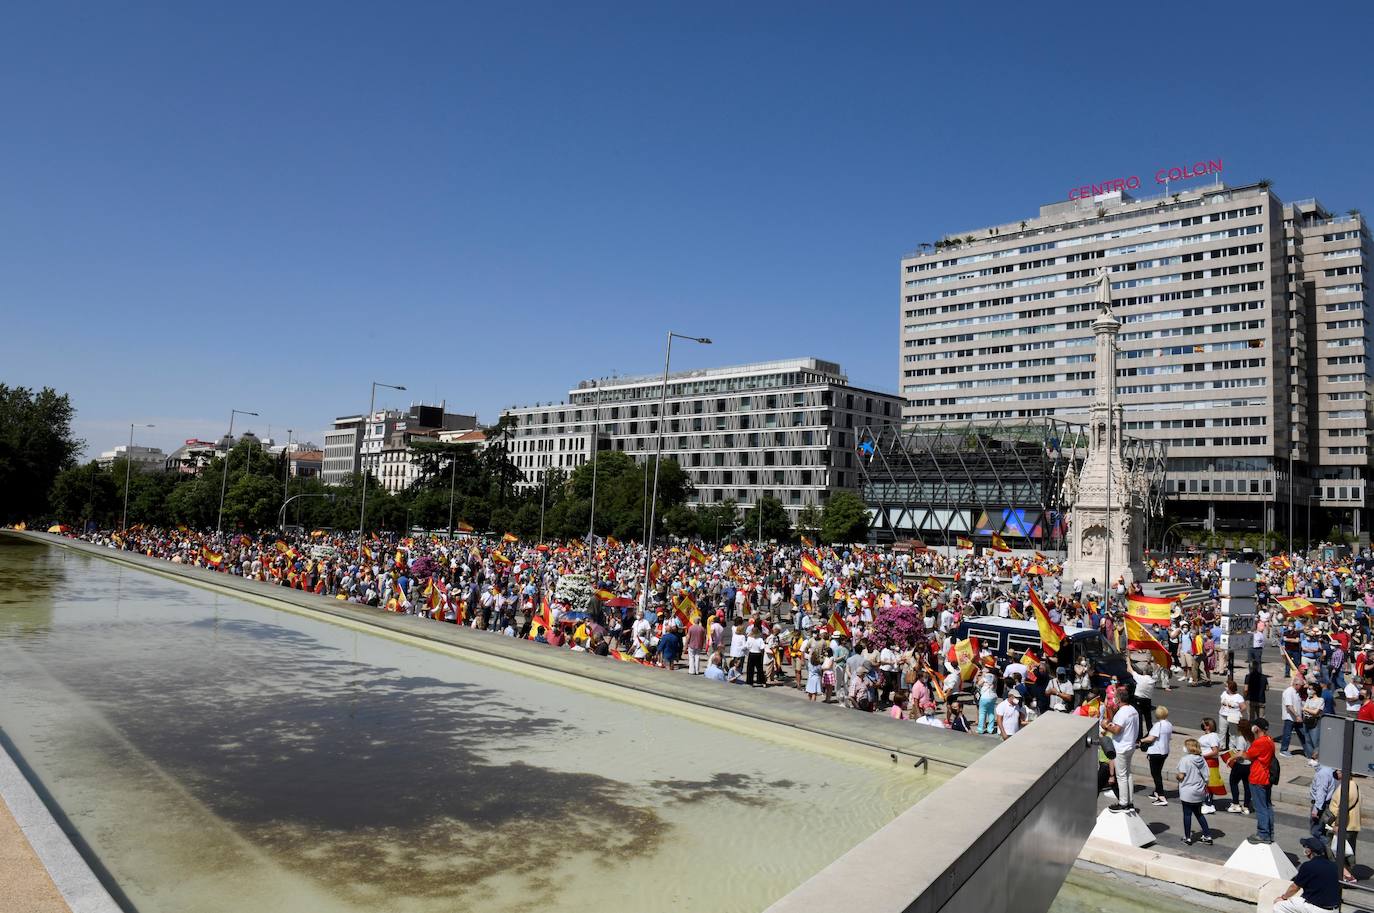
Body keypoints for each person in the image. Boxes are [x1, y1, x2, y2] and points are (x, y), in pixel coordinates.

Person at [1272, 837, 1341, 913]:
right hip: (1334, 909)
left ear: (1308, 851)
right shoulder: (1333, 865)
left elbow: (1294, 887)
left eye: (1305, 847)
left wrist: (1283, 898)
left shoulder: (1308, 866)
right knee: (1298, 901)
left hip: (1316, 908)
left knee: (1278, 906)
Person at [1242, 717, 1277, 845]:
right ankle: (1269, 833)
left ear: (1257, 728)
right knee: (1267, 806)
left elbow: (1248, 755)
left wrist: (1239, 754)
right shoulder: (1269, 740)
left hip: (1258, 777)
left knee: (1260, 807)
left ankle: (1262, 834)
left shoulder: (1260, 742)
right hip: (1266, 777)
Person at [1103, 695, 1141, 811]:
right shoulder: (1133, 710)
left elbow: (1116, 730)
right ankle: (1129, 801)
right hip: (1130, 745)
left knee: (1121, 776)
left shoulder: (1122, 713)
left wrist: (1105, 725)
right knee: (1128, 774)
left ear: (1119, 700)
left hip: (1121, 747)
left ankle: (1123, 802)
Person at [1175, 738, 1214, 846]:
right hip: (1199, 791)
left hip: (1187, 791)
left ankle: (1187, 837)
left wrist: (1177, 776)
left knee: (1187, 814)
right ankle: (1207, 835)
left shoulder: (1185, 760)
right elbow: (1206, 777)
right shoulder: (1201, 759)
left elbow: (1181, 775)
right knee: (1199, 813)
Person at [1139, 706, 1173, 807]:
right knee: (1158, 772)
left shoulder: (1158, 725)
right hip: (1165, 751)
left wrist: (1141, 740)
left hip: (1155, 752)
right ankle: (1156, 792)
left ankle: (1161, 796)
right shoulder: (1169, 724)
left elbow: (1151, 738)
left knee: (1156, 774)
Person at [1227, 718, 1254, 814]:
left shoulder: (1240, 738)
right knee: (1247, 785)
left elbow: (1240, 753)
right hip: (1249, 764)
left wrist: (1231, 758)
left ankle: (1235, 804)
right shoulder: (1251, 737)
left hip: (1240, 764)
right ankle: (1246, 806)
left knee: (1233, 782)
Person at [1219, 678, 1246, 749]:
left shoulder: (1238, 697)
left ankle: (1232, 747)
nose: (1225, 687)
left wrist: (1237, 712)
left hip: (1233, 716)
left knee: (1233, 733)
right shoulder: (1224, 693)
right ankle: (1222, 746)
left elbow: (1243, 707)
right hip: (1223, 715)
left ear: (1230, 688)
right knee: (1222, 731)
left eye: (1226, 686)